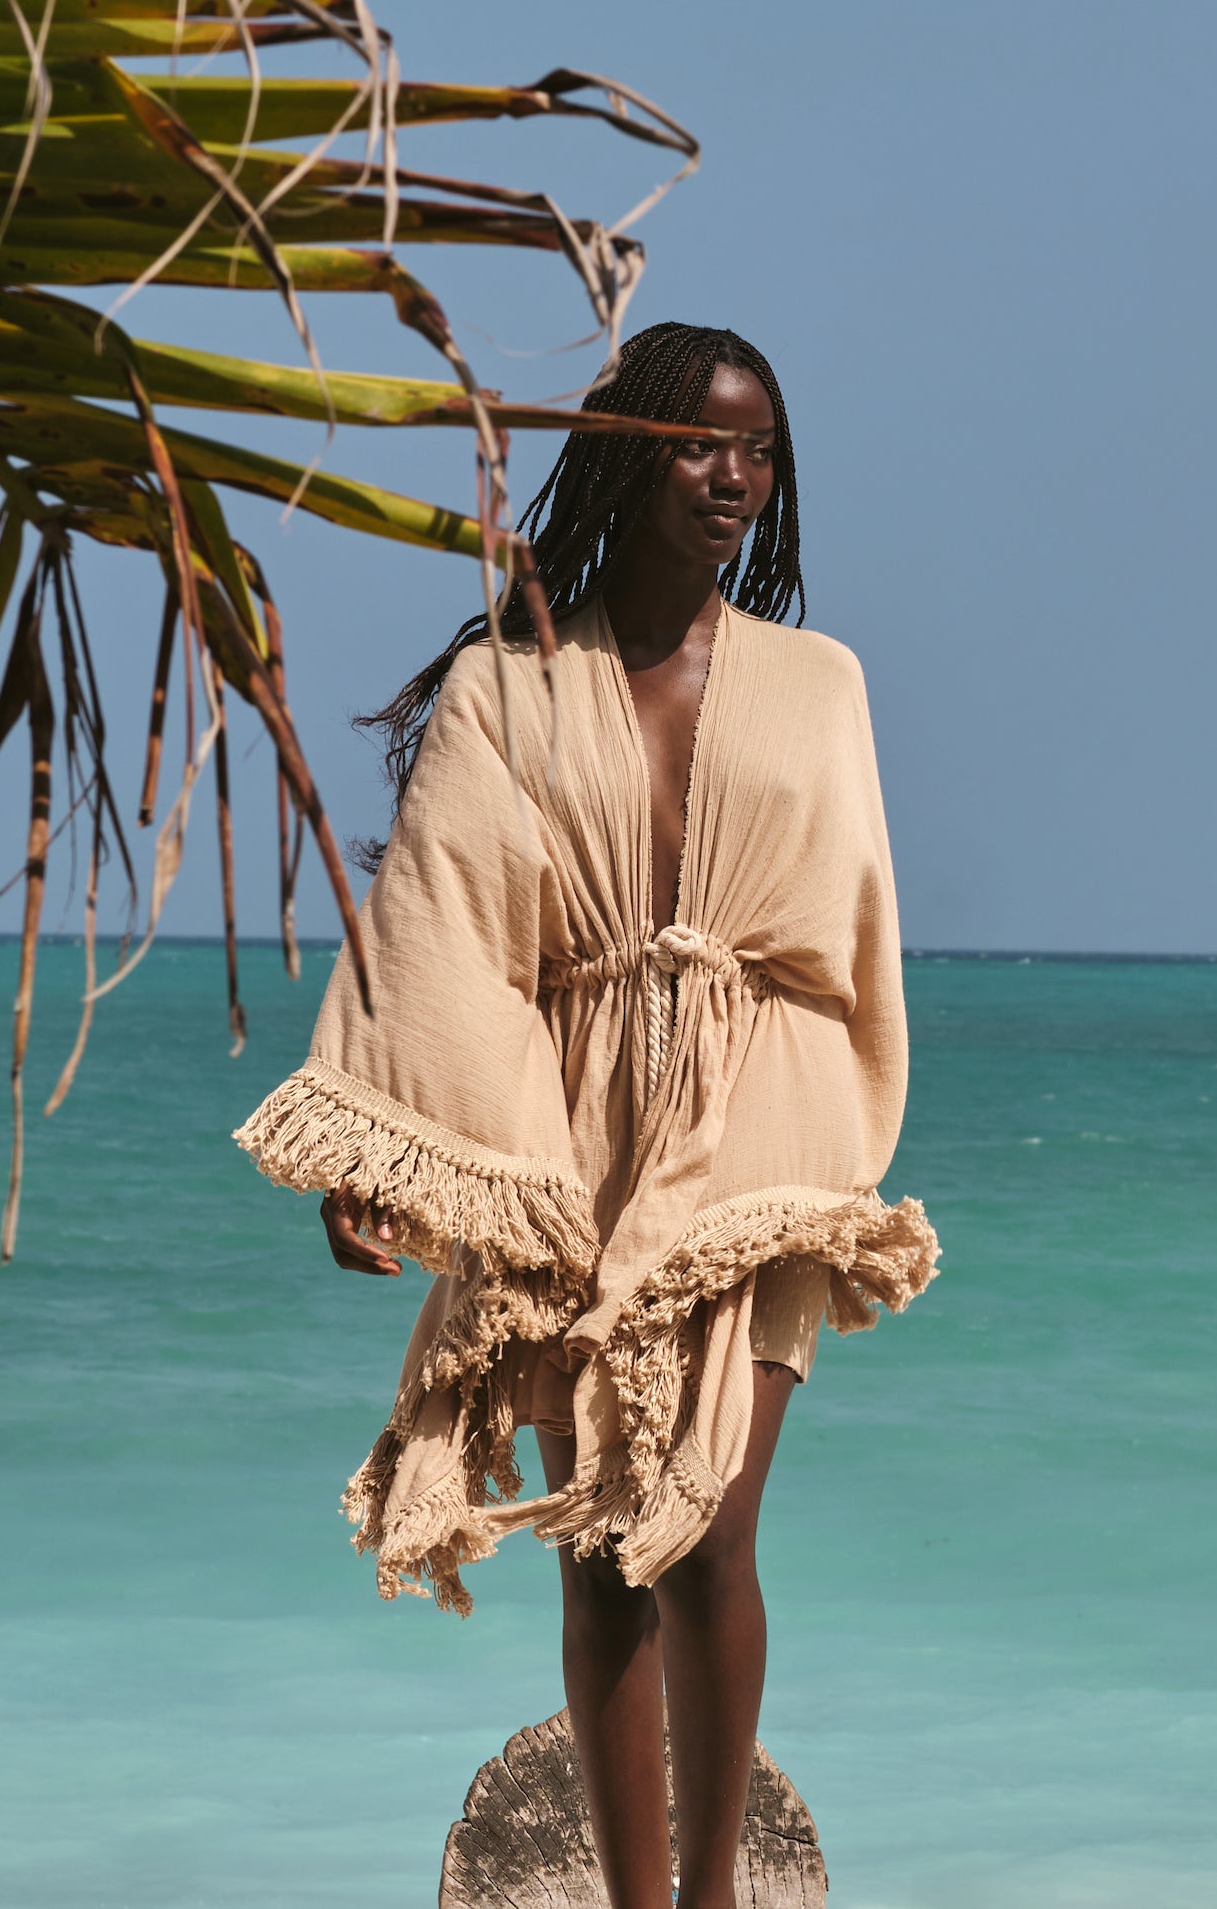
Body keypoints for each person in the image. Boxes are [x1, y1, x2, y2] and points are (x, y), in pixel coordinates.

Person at [236, 323, 938, 1909]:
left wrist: (833, 1159)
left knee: (711, 1529)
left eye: (759, 451)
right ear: (627, 452)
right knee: (606, 1547)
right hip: (563, 1143)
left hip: (758, 1127)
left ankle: (710, 1900)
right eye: (703, 445)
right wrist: (381, 1157)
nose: (737, 479)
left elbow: (853, 935)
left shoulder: (820, 685)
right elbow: (444, 934)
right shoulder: (509, 687)